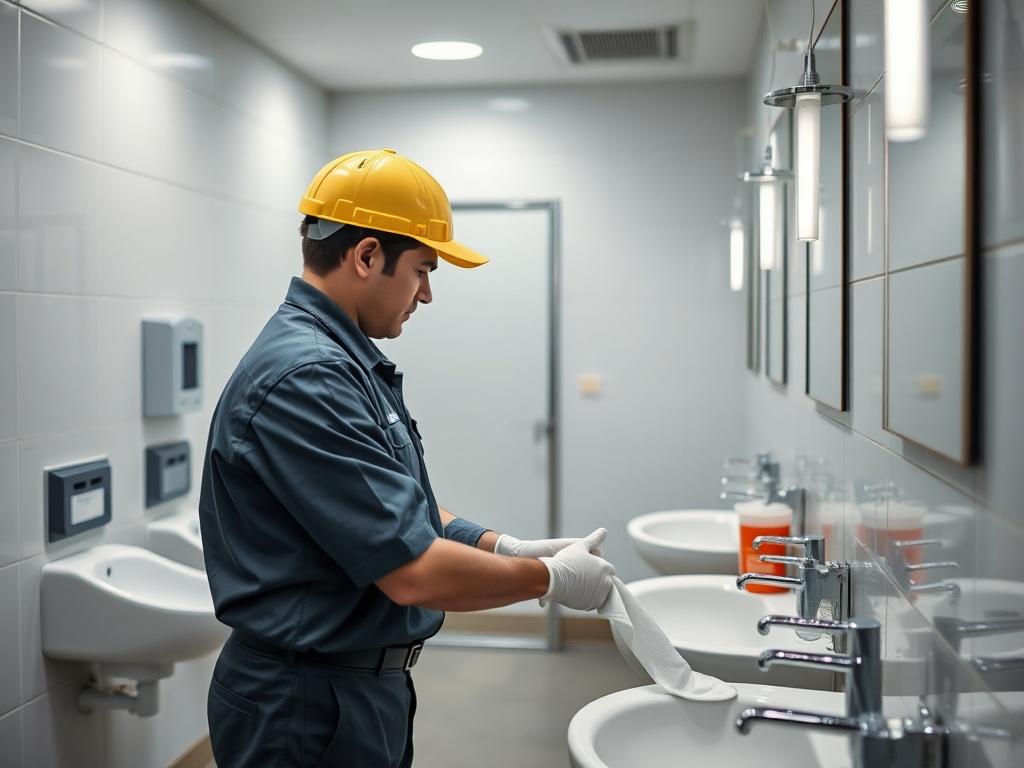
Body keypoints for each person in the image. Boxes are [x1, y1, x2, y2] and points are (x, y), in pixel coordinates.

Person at [199, 148, 615, 768]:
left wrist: (500, 546)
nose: (426, 294)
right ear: (367, 256)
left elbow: (391, 505)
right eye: (423, 269)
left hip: (350, 688)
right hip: (306, 702)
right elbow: (412, 570)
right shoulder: (308, 376)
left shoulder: (341, 361)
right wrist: (548, 579)